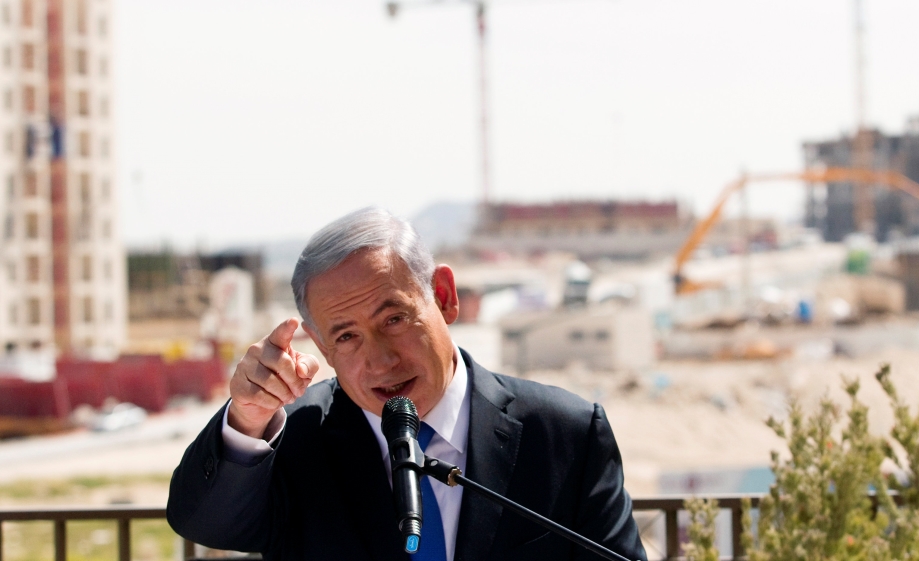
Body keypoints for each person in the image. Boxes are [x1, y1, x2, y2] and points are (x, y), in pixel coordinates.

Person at [167, 207, 647, 561]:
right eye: (347, 336)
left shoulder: (565, 433)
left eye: (394, 318)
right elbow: (204, 523)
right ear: (321, 345)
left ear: (443, 297)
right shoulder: (295, 437)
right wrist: (247, 419)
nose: (380, 360)